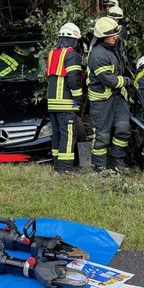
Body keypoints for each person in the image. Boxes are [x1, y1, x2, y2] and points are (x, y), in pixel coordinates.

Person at [87, 17, 133, 173]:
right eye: (112, 35)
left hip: (117, 96)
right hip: (101, 99)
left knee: (123, 127)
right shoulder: (98, 55)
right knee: (102, 133)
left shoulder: (114, 47)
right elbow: (110, 81)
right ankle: (100, 165)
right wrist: (128, 81)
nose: (116, 37)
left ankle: (117, 162)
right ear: (102, 36)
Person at [46, 23, 84, 174]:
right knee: (68, 135)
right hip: (66, 103)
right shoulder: (71, 54)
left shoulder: (52, 53)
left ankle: (57, 165)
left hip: (53, 103)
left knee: (57, 134)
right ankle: (66, 169)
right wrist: (78, 98)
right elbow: (74, 78)